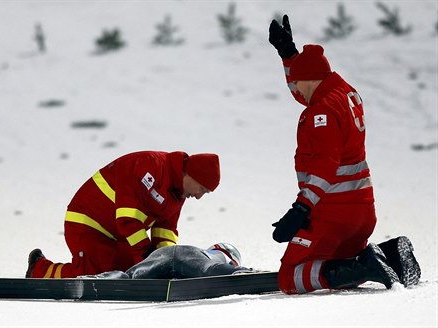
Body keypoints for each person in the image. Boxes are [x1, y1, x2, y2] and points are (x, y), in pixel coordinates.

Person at [268, 15, 420, 294]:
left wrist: (300, 210)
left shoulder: (320, 112)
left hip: (334, 213)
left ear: (310, 79)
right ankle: (389, 257)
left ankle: (364, 266)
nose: (295, 89)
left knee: (290, 278)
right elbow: (307, 88)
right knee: (337, 264)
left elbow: (326, 165)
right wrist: (288, 55)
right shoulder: (344, 93)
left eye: (297, 82)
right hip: (362, 211)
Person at [26, 150, 221, 279]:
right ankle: (39, 270)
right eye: (202, 189)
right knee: (94, 274)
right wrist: (148, 257)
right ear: (191, 175)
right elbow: (128, 219)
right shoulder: (149, 166)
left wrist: (166, 261)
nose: (198, 196)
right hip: (88, 224)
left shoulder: (177, 192)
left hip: (119, 235)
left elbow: (165, 230)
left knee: (127, 274)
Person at [40, 242, 252, 280]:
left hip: (164, 254)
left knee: (130, 275)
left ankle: (98, 279)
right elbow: (208, 267)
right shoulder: (218, 255)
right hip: (186, 254)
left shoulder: (206, 251)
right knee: (210, 269)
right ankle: (244, 273)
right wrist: (236, 269)